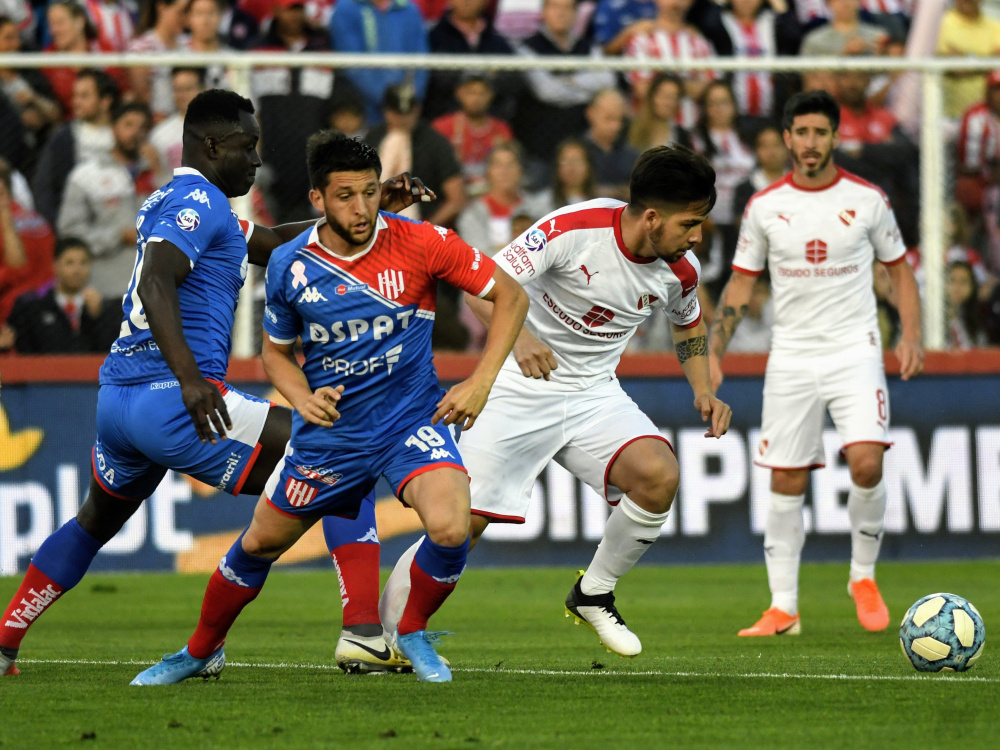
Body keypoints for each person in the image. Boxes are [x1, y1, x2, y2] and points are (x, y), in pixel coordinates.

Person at [0, 89, 434, 678]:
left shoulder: (181, 200)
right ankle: (360, 631)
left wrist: (366, 211)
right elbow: (156, 281)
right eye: (246, 146)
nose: (256, 159)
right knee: (338, 460)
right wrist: (189, 380)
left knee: (93, 522)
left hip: (119, 402)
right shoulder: (199, 202)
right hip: (172, 399)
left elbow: (273, 243)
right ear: (210, 145)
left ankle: (4, 642)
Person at [129, 131, 528, 685]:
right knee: (258, 545)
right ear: (318, 198)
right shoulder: (290, 263)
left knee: (451, 525)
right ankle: (197, 652)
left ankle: (409, 631)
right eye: (345, 196)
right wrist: (301, 398)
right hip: (332, 437)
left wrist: (481, 381)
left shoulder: (425, 241)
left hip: (408, 421)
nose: (361, 208)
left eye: (369, 192)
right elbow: (275, 353)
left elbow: (511, 295)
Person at [376, 145, 733, 658]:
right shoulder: (572, 229)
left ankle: (594, 593)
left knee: (658, 475)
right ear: (652, 217)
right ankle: (387, 637)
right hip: (516, 383)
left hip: (592, 392)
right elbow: (479, 286)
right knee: (458, 527)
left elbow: (688, 323)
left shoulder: (682, 270)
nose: (697, 236)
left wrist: (703, 390)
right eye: (690, 224)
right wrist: (519, 339)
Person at [708, 90, 924, 637]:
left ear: (834, 137)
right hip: (792, 355)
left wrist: (912, 334)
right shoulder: (764, 206)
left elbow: (899, 270)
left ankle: (862, 576)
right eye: (801, 132)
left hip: (855, 349)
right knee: (786, 476)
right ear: (787, 138)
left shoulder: (867, 199)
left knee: (867, 462)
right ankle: (784, 607)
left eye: (820, 133)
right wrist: (713, 352)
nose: (809, 143)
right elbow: (740, 283)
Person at [57, 102, 158, 297]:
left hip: (155, 289)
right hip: (109, 289)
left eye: (142, 127)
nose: (135, 133)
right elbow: (69, 233)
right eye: (129, 125)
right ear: (113, 128)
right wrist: (118, 236)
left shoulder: (158, 172)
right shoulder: (86, 175)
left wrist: (160, 173)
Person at [511, 0, 615, 186]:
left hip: (582, 147)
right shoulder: (526, 48)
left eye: (568, 7)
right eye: (555, 6)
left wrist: (567, 82)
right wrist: (585, 88)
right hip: (539, 151)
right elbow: (547, 91)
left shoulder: (588, 47)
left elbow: (607, 80)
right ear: (544, 11)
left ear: (576, 13)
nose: (561, 12)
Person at [31, 68, 119, 228]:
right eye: (75, 96)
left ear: (105, 101)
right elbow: (43, 188)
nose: (76, 102)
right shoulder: (63, 138)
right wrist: (62, 229)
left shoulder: (122, 135)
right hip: (76, 229)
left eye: (84, 96)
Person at [5, 237, 121, 354]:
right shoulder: (31, 307)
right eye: (69, 263)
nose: (77, 270)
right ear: (55, 266)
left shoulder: (106, 308)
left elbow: (110, 352)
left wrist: (97, 318)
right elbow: (20, 350)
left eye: (83, 263)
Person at [328, 0, 429, 126]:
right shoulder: (346, 9)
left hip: (407, 109)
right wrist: (390, 100)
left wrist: (410, 99)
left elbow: (420, 61)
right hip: (363, 109)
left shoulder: (408, 9)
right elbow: (353, 64)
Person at [432, 74, 513, 198]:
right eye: (471, 93)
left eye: (482, 93)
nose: (476, 99)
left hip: (489, 193)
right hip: (451, 194)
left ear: (491, 95)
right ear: (459, 93)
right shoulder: (442, 126)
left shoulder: (501, 129)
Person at [149, 68, 207, 184]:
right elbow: (157, 178)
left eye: (188, 89)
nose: (182, 95)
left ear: (203, 89)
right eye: (177, 89)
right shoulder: (159, 134)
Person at [583, 89, 641, 200]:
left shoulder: (632, 155)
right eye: (608, 118)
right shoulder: (576, 151)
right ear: (590, 113)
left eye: (619, 120)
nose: (615, 127)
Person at [628, 72, 693, 153]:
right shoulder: (631, 129)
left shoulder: (682, 136)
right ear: (652, 96)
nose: (667, 102)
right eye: (663, 95)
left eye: (673, 97)